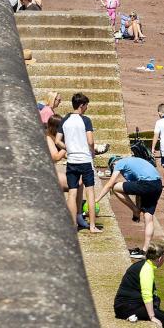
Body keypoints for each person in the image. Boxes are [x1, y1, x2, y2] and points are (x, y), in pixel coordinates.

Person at [97, 155, 164, 250]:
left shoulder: (119, 163)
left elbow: (109, 184)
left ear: (113, 164)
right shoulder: (134, 161)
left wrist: (96, 200)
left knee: (115, 187)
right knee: (148, 218)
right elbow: (139, 193)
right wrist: (137, 210)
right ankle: (145, 249)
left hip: (146, 183)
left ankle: (134, 209)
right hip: (157, 185)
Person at [61, 93, 99, 232]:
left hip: (71, 160)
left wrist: (69, 148)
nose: (87, 108)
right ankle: (93, 226)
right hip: (84, 160)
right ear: (81, 105)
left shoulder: (65, 119)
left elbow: (58, 140)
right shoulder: (86, 120)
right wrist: (93, 151)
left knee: (72, 192)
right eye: (86, 105)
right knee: (90, 192)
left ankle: (73, 225)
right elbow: (90, 141)